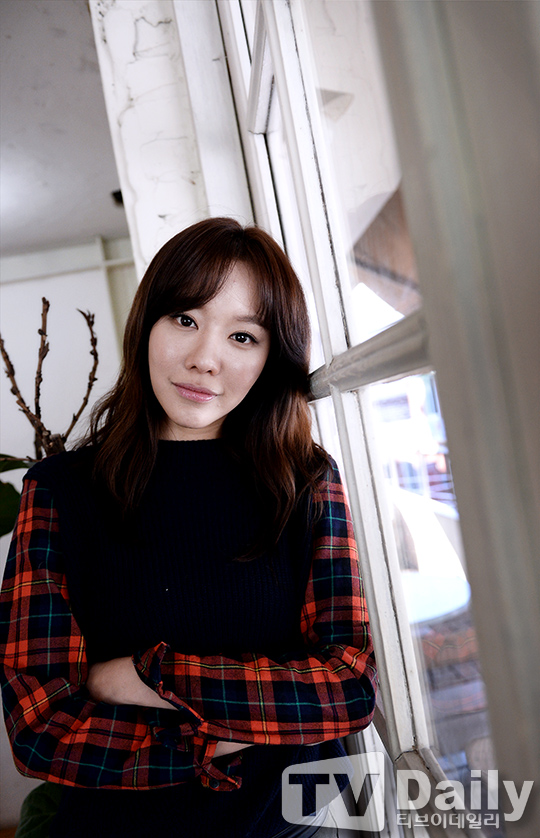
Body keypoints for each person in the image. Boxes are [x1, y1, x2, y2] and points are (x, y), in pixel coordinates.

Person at [0, 217, 377, 838]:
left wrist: (146, 675)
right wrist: (226, 735)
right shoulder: (59, 491)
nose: (204, 359)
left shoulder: (305, 480)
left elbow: (347, 689)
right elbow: (42, 728)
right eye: (184, 319)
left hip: (292, 823)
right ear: (146, 324)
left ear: (271, 358)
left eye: (243, 336)